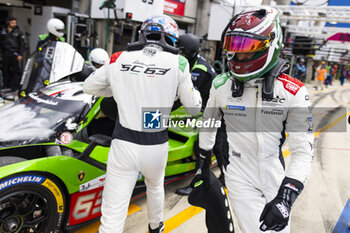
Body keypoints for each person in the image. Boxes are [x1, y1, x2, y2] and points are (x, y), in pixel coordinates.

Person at [191, 7, 314, 233]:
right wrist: (202, 165)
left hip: (276, 174)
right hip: (239, 174)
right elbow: (208, 125)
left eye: (248, 49)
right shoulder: (221, 85)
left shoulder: (293, 91)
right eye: (235, 48)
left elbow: (303, 151)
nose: (240, 56)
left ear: (271, 43)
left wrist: (286, 197)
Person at [83, 15, 201, 233]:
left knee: (113, 211)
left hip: (123, 143)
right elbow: (194, 108)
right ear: (173, 38)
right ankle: (156, 226)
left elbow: (89, 87)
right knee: (155, 186)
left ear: (143, 34)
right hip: (156, 144)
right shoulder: (180, 62)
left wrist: (120, 89)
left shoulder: (119, 57)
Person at [174, 33, 225, 196]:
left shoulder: (199, 70)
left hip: (219, 110)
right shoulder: (190, 64)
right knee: (216, 146)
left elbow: (183, 97)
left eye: (181, 51)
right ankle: (225, 177)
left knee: (208, 146)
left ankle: (199, 184)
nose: (178, 53)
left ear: (190, 51)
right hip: (210, 108)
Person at [0, 17, 25, 93]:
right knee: (5, 71)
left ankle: (15, 88)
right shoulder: (3, 31)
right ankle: (6, 86)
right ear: (8, 23)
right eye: (12, 23)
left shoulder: (18, 32)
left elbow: (22, 44)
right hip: (5, 54)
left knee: (15, 71)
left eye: (15, 23)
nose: (14, 24)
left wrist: (20, 54)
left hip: (15, 54)